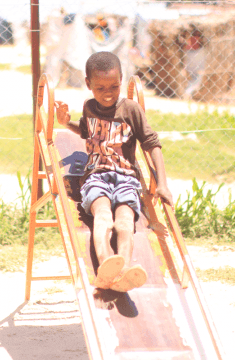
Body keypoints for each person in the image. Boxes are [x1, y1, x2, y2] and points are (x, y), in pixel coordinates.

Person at [55, 51, 173, 292]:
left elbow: (152, 144)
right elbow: (89, 133)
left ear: (121, 79)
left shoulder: (131, 110)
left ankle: (125, 270)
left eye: (114, 86)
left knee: (125, 220)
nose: (108, 93)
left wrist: (162, 183)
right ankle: (106, 262)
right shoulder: (89, 107)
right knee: (102, 216)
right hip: (96, 175)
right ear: (88, 84)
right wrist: (66, 122)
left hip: (127, 178)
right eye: (100, 88)